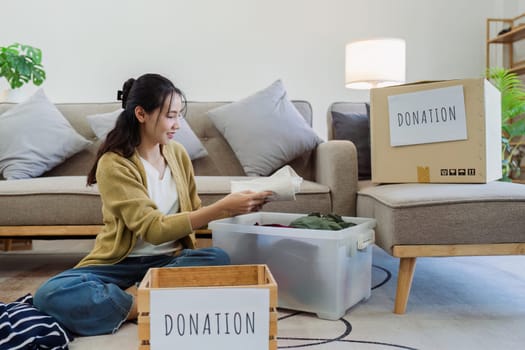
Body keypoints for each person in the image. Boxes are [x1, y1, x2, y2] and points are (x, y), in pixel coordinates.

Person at [34, 73, 272, 336]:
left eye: (180, 115)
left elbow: (193, 213)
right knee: (50, 294)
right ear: (141, 114)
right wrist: (224, 207)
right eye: (171, 115)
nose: (177, 124)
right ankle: (141, 302)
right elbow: (154, 229)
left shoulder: (177, 154)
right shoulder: (114, 163)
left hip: (167, 262)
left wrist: (243, 206)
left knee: (218, 259)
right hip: (118, 265)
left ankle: (126, 302)